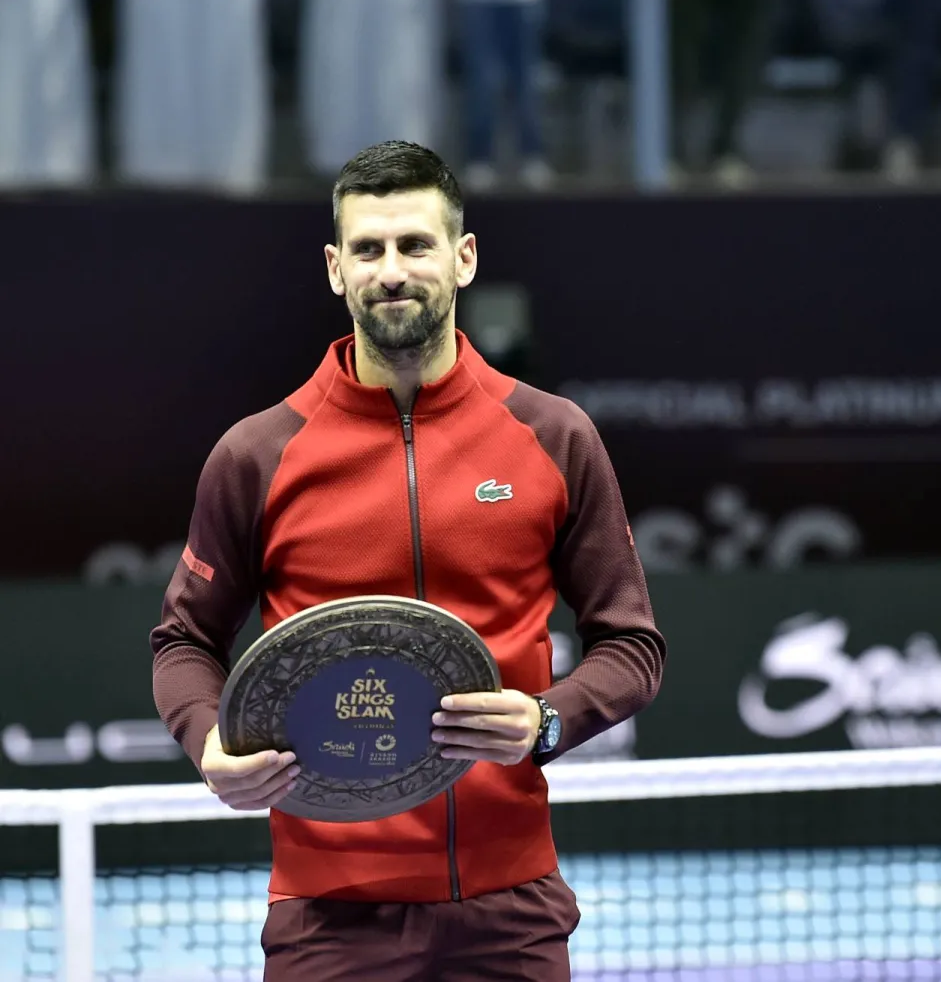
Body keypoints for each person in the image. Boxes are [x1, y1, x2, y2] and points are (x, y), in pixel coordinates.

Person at [149, 140, 667, 980]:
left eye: (415, 245)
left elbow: (632, 647)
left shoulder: (554, 436)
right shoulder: (257, 454)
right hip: (327, 917)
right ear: (334, 268)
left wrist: (545, 721)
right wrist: (210, 746)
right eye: (368, 249)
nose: (392, 270)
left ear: (461, 259)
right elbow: (182, 642)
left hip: (512, 909)